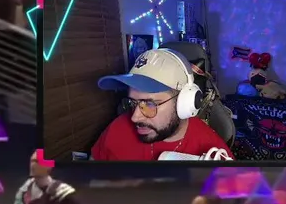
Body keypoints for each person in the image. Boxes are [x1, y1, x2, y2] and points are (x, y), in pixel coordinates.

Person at [92, 49, 233, 161]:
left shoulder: (212, 152)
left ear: (185, 103)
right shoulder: (117, 128)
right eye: (133, 102)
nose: (134, 117)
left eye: (149, 104)